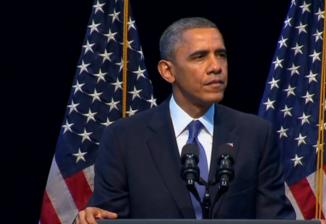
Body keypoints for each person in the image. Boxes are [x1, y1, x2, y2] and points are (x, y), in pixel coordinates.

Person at [76, 17, 295, 224]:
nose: (216, 67)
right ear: (167, 71)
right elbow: (107, 217)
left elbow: (275, 218)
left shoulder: (256, 134)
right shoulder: (124, 138)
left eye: (221, 55)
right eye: (200, 57)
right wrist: (87, 219)